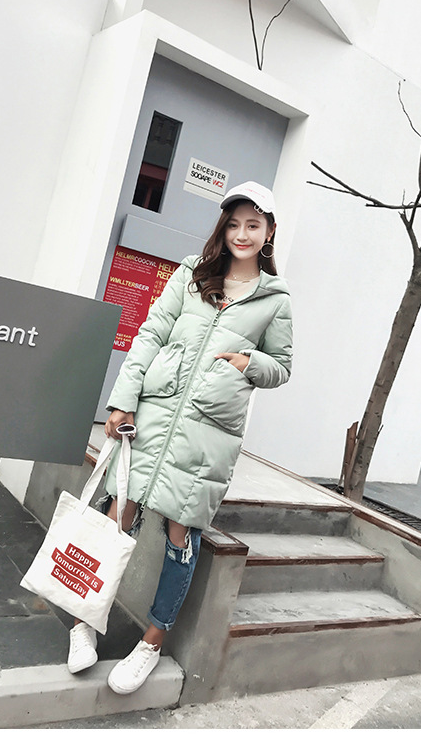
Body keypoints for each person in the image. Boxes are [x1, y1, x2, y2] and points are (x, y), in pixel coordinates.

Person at [67, 180, 293, 694]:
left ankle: (151, 643)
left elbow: (281, 367)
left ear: (269, 232)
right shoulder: (192, 274)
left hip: (206, 435)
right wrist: (123, 399)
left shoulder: (275, 300)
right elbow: (151, 333)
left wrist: (248, 362)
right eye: (233, 224)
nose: (241, 234)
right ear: (223, 228)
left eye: (253, 225)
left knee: (179, 537)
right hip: (154, 415)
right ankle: (84, 621)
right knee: (115, 518)